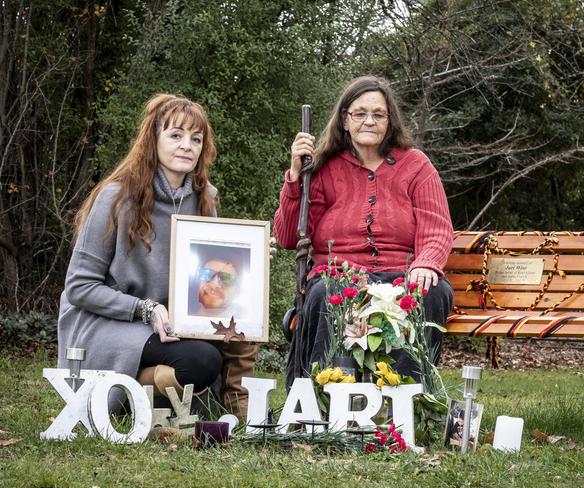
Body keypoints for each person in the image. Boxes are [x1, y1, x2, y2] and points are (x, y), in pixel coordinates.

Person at [57, 93, 257, 417]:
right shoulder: (115, 198)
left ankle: (237, 413)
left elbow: (209, 274)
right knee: (201, 361)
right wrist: (145, 309)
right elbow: (79, 287)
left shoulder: (206, 199)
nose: (186, 146)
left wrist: (248, 265)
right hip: (111, 322)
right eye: (176, 135)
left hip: (174, 326)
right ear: (154, 139)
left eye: (196, 138)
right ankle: (123, 398)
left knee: (242, 325)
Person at [274, 75, 454, 387]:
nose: (368, 121)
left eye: (378, 114)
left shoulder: (416, 166)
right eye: (359, 113)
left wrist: (426, 262)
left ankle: (407, 398)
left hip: (400, 273)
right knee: (322, 291)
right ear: (344, 120)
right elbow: (291, 236)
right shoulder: (322, 168)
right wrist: (294, 174)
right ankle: (322, 399)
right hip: (340, 274)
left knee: (433, 291)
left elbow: (436, 226)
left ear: (390, 120)